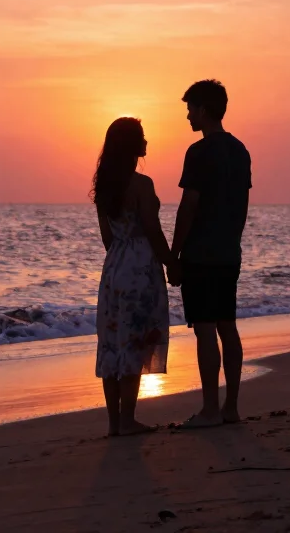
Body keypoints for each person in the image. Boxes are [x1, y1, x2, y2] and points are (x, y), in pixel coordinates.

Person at [168, 79, 252, 428]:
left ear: (203, 109)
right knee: (227, 327)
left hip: (201, 252)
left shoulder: (199, 152)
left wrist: (174, 254)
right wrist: (232, 238)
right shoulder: (240, 151)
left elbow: (188, 206)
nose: (187, 115)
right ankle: (230, 407)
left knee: (204, 329)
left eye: (190, 108)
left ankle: (209, 410)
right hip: (228, 251)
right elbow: (242, 206)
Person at [92, 117, 171, 436]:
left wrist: (121, 255)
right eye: (141, 136)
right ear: (131, 145)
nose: (147, 141)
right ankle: (128, 420)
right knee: (134, 340)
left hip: (114, 268)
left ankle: (114, 423)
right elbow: (152, 229)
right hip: (140, 267)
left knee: (112, 343)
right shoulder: (142, 184)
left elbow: (106, 238)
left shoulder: (104, 186)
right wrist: (170, 262)